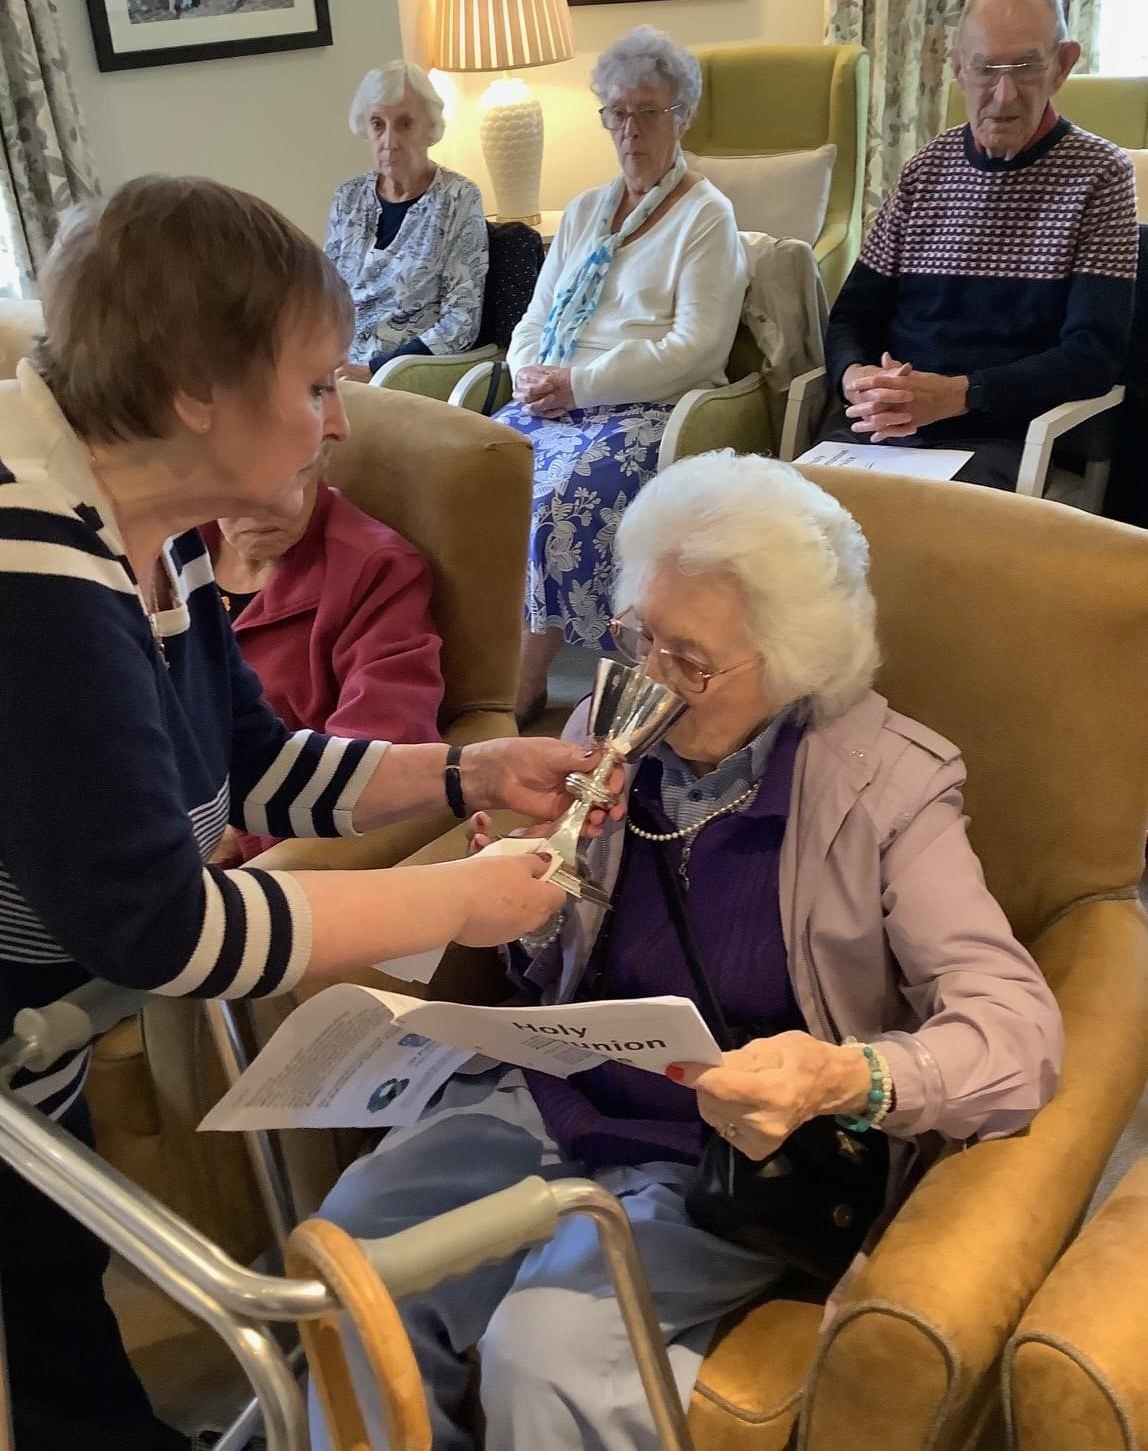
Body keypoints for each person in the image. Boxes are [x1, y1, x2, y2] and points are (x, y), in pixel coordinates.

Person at [0, 175, 610, 1451]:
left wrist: (470, 777)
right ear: (195, 390)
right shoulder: (33, 566)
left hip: (36, 1009)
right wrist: (458, 895)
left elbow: (257, 763)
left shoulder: (152, 529)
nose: (334, 425)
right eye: (317, 383)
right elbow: (158, 929)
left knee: (45, 1280)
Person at [308, 451, 1063, 1451]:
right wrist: (530, 907)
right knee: (354, 1242)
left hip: (720, 1150)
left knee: (546, 1349)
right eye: (639, 638)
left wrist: (847, 1074)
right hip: (555, 1092)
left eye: (690, 661)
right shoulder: (605, 725)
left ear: (793, 660)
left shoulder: (888, 791)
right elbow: (554, 976)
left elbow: (1016, 1032)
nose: (649, 682)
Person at [501, 26, 747, 724]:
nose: (630, 129)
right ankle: (464, 660)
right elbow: (534, 317)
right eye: (617, 112)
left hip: (642, 410)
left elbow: (697, 348)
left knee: (559, 499)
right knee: (476, 472)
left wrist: (580, 384)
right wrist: (528, 374)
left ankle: (524, 678)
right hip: (552, 399)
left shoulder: (707, 218)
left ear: (681, 116)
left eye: (648, 112)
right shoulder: (582, 212)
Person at [821, 0, 1138, 491]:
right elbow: (850, 317)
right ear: (957, 70)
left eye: (1027, 67)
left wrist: (958, 395)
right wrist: (855, 376)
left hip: (1009, 442)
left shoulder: (1100, 176)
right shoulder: (925, 170)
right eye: (986, 69)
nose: (1004, 94)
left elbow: (1092, 357)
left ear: (1063, 65)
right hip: (877, 436)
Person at [204, 455, 444, 859]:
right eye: (239, 486)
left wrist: (237, 828)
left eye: (286, 479)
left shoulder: (375, 569)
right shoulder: (172, 543)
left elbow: (384, 746)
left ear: (320, 460)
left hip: (256, 835)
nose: (265, 508)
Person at [325, 61, 488, 383]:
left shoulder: (457, 197)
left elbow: (461, 323)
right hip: (339, 373)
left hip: (408, 376)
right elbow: (325, 303)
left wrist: (373, 370)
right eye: (377, 124)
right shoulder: (349, 198)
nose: (389, 140)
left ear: (430, 128)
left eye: (404, 124)